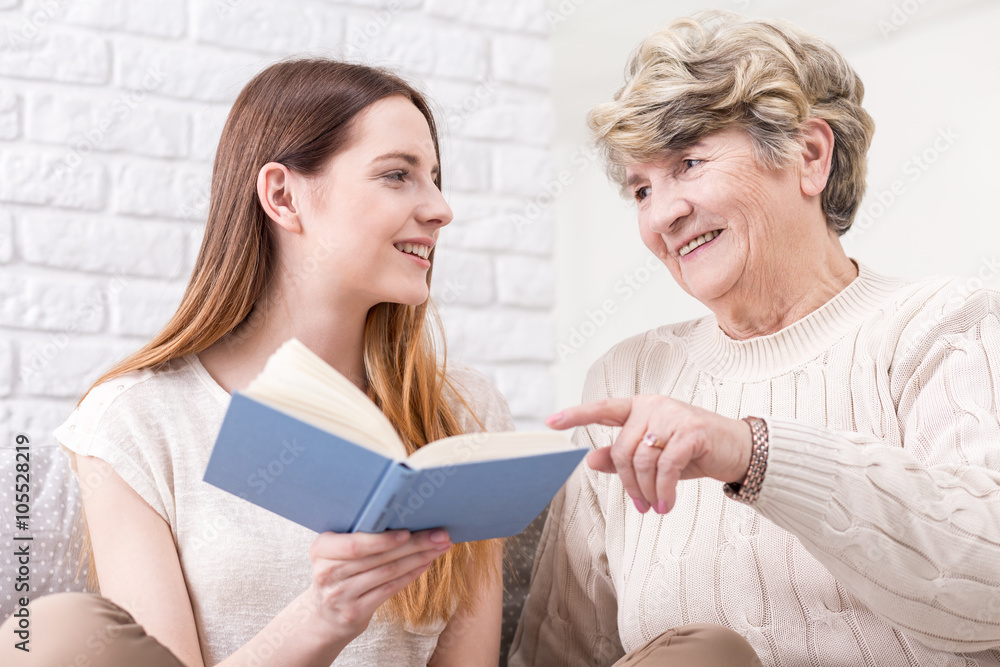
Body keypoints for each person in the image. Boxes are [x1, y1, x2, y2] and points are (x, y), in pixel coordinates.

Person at [510, 10, 1000, 667]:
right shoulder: (627, 378)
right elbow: (563, 650)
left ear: (809, 154)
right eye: (641, 188)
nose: (662, 213)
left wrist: (752, 451)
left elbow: (986, 580)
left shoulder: (941, 325)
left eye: (689, 161)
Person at [0, 59, 511, 666]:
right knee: (52, 635)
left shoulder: (460, 411)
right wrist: (324, 617)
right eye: (397, 175)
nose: (440, 208)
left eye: (435, 177)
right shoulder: (135, 420)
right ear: (282, 195)